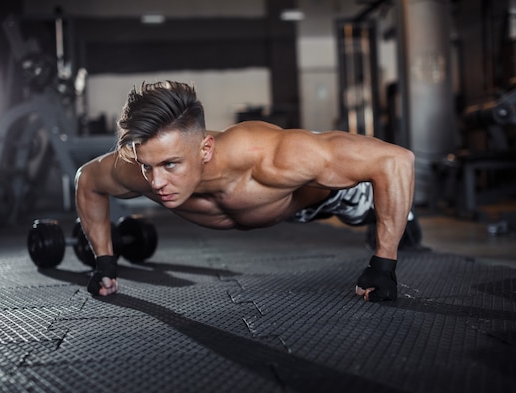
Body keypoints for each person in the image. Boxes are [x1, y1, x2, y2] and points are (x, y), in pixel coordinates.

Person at [75, 81, 415, 301]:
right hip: (272, 205)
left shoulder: (274, 156)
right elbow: (86, 180)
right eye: (148, 166)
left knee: (369, 210)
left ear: (205, 149)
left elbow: (395, 160)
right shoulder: (136, 170)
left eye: (170, 165)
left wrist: (383, 265)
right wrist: (104, 261)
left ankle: (403, 217)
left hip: (323, 197)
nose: (156, 182)